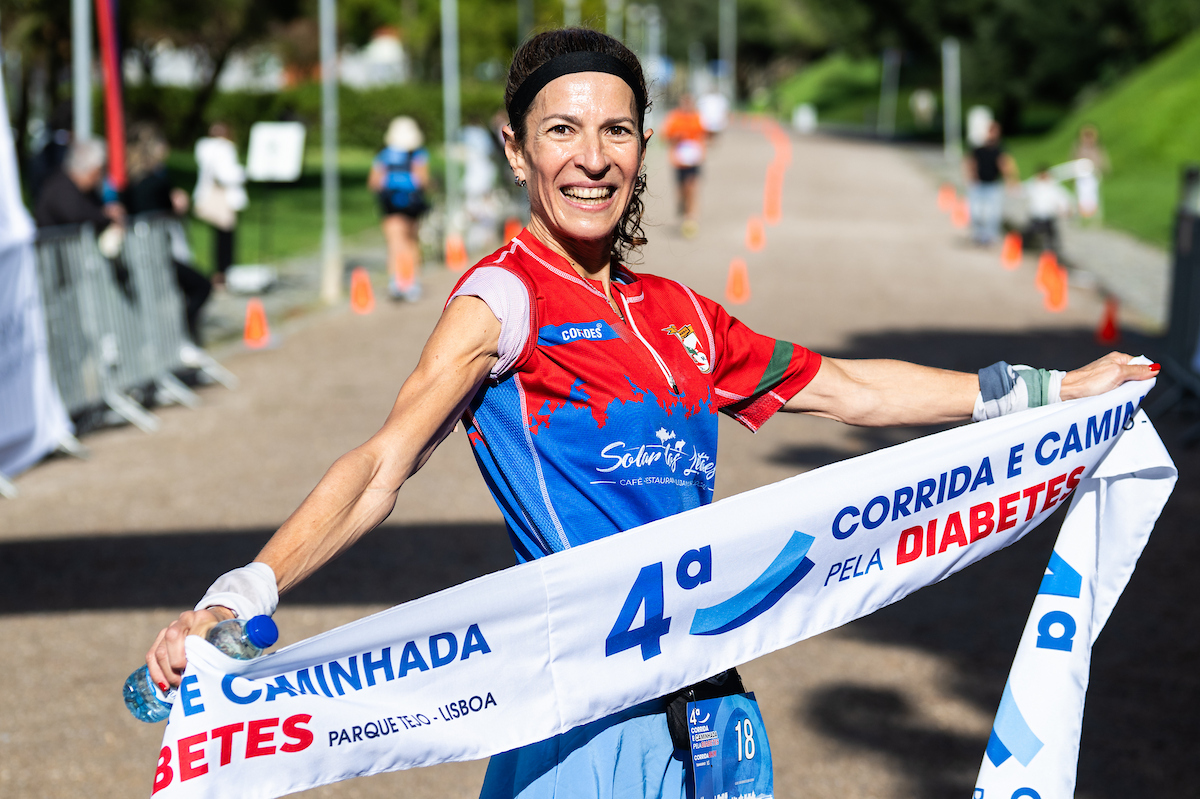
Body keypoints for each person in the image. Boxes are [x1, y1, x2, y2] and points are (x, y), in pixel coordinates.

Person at [145, 28, 1157, 799]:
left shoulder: (679, 313)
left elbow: (844, 389)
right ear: (516, 149)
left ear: (642, 143)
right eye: (561, 130)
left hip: (713, 697)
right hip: (580, 707)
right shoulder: (503, 299)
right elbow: (382, 463)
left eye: (615, 128)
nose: (592, 157)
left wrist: (1047, 392)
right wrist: (242, 594)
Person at [124, 122, 212, 344]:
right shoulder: (155, 182)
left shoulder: (130, 181)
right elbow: (164, 209)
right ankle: (183, 333)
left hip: (140, 251)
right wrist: (176, 205)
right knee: (200, 286)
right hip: (157, 250)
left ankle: (176, 337)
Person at [367, 116, 430, 301]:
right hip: (412, 205)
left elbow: (373, 182)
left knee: (394, 244)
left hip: (390, 206)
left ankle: (396, 283)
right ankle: (412, 282)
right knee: (411, 243)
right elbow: (423, 181)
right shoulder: (418, 155)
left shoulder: (383, 156)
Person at [192, 122, 247, 289]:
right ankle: (224, 272)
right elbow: (227, 174)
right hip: (222, 196)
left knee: (218, 236)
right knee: (226, 236)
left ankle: (220, 272)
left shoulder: (204, 148)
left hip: (210, 194)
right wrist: (243, 173)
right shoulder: (224, 148)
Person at [33, 138, 122, 232]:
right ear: (88, 169)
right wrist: (105, 215)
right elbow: (76, 214)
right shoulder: (60, 187)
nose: (100, 177)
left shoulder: (86, 191)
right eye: (98, 172)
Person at [964, 120, 1018, 246]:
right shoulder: (978, 148)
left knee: (993, 214)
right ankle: (978, 234)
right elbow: (970, 162)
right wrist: (970, 177)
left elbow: (1005, 165)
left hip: (993, 185)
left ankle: (990, 237)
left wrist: (1010, 181)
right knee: (976, 212)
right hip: (978, 185)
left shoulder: (1000, 149)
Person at [662, 93, 706, 238]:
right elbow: (665, 137)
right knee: (682, 190)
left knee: (691, 188)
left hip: (694, 160)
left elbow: (703, 136)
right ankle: (683, 207)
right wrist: (676, 137)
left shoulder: (697, 117)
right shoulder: (675, 118)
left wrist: (702, 151)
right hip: (679, 161)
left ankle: (690, 218)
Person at [1024, 164, 1072, 258]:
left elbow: (1063, 199)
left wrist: (1066, 209)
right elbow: (1020, 191)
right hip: (1035, 217)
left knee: (1052, 235)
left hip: (1048, 217)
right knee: (1028, 233)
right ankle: (1024, 247)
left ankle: (1053, 252)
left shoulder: (1053, 187)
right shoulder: (1032, 185)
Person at [1071, 123, 1109, 221]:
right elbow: (1074, 160)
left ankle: (1093, 215)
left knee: (1093, 195)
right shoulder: (1078, 148)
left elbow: (1102, 161)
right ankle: (1082, 215)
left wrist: (1100, 169)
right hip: (1082, 176)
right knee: (1082, 195)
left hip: (1093, 176)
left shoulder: (1097, 148)